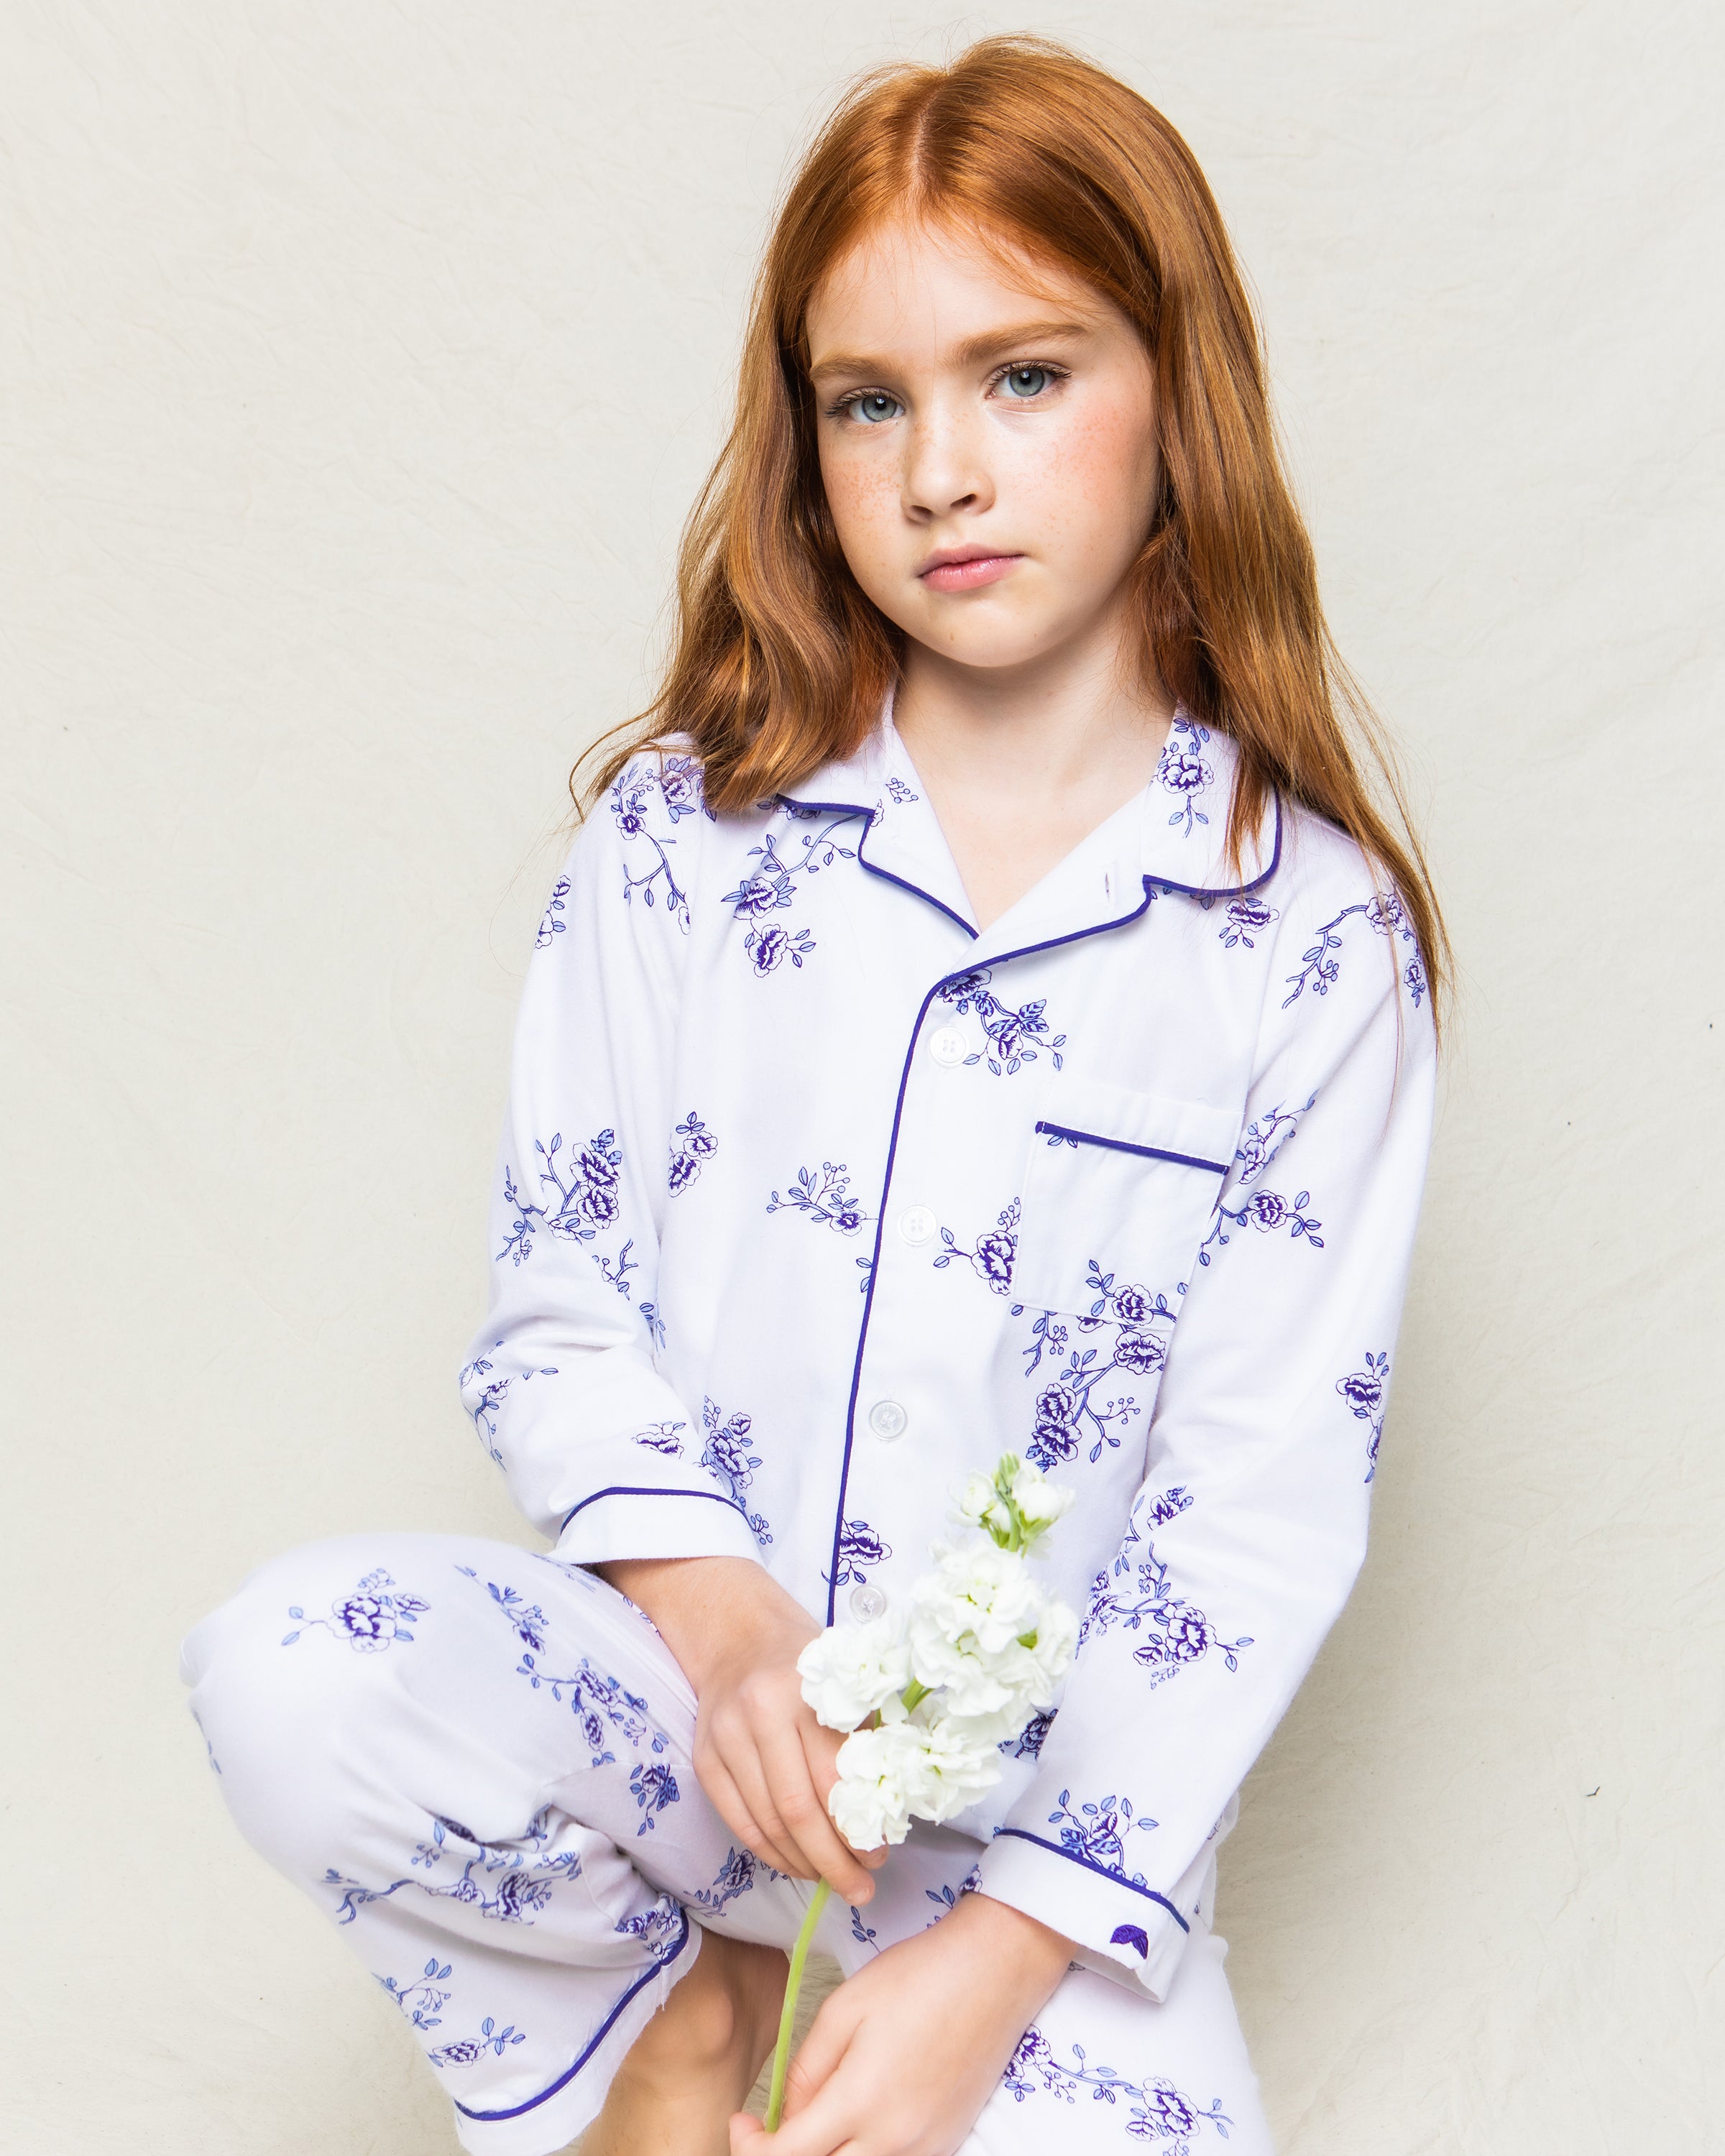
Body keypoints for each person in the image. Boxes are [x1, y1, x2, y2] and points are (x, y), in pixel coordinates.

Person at [180, 35, 1445, 2156]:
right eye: (872, 402)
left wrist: (997, 1967)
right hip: (680, 1733)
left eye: (1025, 377)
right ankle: (682, 2026)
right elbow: (559, 1312)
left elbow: (1252, 1517)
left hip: (1025, 1869)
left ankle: (912, 2002)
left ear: (1177, 386)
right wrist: (726, 1618)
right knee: (299, 1665)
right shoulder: (686, 841)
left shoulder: (1307, 938)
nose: (943, 469)